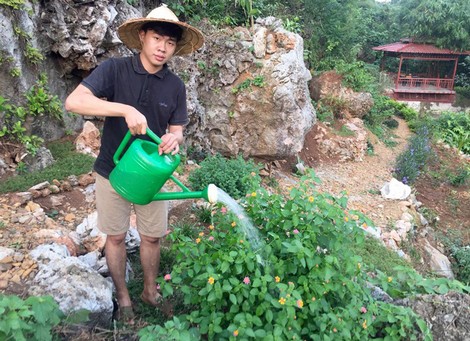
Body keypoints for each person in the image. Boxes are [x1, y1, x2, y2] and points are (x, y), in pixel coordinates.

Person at [65, 4, 204, 324]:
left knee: (152, 236)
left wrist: (174, 140)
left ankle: (150, 291)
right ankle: (124, 297)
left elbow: (177, 130)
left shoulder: (175, 86)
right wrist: (124, 110)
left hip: (151, 176)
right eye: (157, 38)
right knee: (114, 237)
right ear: (142, 36)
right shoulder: (115, 70)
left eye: (170, 42)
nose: (162, 47)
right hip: (111, 171)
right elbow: (74, 101)